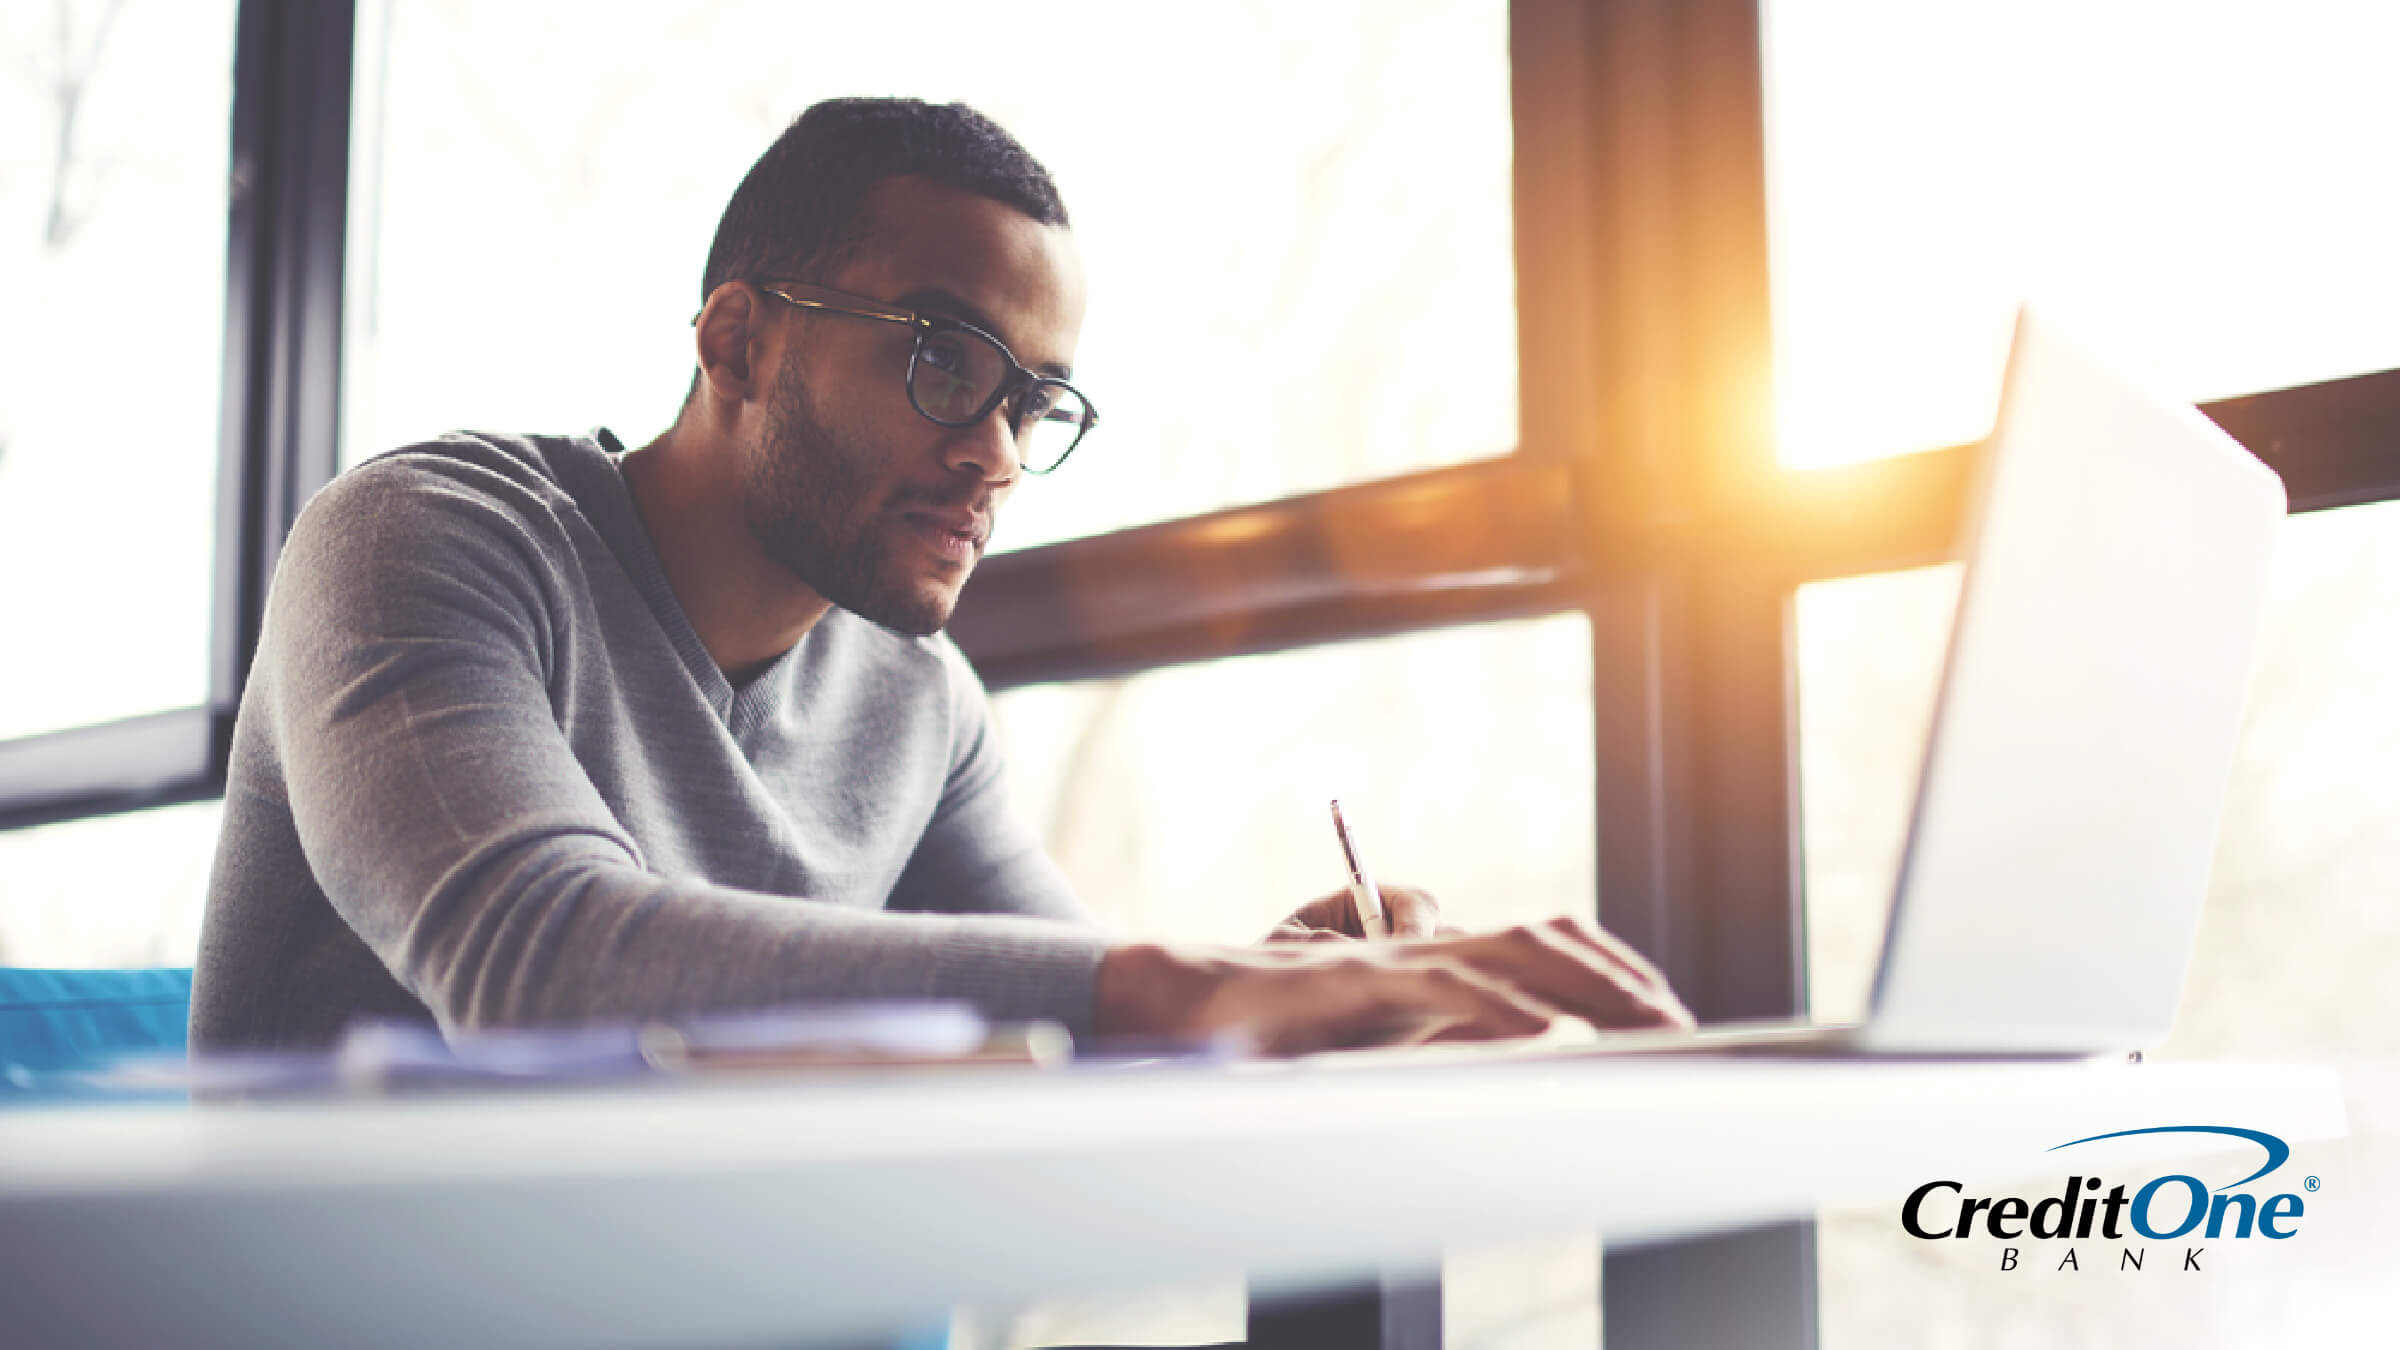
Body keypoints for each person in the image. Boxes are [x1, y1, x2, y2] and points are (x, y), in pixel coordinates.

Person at [189, 97, 1693, 1057]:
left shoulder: (920, 702)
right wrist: (1175, 986)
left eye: (1033, 402)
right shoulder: (425, 538)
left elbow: (1063, 1002)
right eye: (940, 362)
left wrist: (1278, 993)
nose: (996, 454)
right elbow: (535, 956)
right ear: (735, 341)